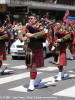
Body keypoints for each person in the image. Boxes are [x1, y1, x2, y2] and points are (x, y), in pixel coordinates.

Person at [18, 13, 46, 91]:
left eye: (31, 18)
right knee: (29, 66)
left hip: (36, 48)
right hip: (28, 49)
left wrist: (32, 35)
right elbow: (21, 33)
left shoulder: (40, 25)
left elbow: (43, 33)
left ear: (35, 19)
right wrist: (22, 38)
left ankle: (31, 84)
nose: (30, 20)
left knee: (33, 66)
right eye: (29, 18)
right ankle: (37, 78)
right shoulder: (27, 26)